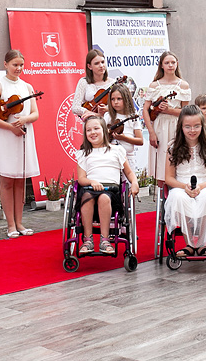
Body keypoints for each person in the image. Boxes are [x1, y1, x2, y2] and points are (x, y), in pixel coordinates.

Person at [0, 49, 40, 238]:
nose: (18, 68)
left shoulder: (28, 87)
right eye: (15, 65)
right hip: (6, 136)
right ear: (5, 64)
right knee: (7, 180)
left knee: (20, 180)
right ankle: (10, 225)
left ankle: (20, 223)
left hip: (23, 134)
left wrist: (24, 121)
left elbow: (35, 113)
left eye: (21, 65)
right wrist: (10, 127)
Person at [164, 105, 206, 258]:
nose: (192, 130)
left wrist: (201, 186)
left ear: (202, 126)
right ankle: (190, 243)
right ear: (181, 127)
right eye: (188, 126)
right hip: (181, 185)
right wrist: (184, 187)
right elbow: (169, 178)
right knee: (177, 197)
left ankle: (203, 243)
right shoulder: (173, 146)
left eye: (196, 126)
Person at [75, 116, 139, 254]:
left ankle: (105, 240)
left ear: (104, 130)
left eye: (96, 128)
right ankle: (88, 239)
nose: (93, 132)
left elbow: (128, 172)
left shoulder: (116, 150)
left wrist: (134, 182)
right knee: (86, 197)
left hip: (111, 191)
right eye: (88, 130)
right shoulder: (83, 153)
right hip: (89, 188)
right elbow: (81, 178)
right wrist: (92, 182)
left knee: (104, 198)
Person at [143, 51, 192, 189]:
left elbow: (186, 112)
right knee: (161, 167)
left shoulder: (183, 85)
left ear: (177, 64)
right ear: (162, 66)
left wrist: (169, 110)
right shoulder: (154, 85)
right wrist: (151, 132)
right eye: (167, 63)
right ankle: (162, 203)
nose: (170, 65)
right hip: (159, 127)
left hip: (177, 126)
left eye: (173, 62)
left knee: (178, 163)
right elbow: (145, 110)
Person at [104, 83, 143, 169]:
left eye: (119, 99)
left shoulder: (132, 116)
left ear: (126, 99)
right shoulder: (108, 116)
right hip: (111, 158)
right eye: (112, 99)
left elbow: (140, 141)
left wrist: (124, 138)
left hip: (128, 158)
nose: (115, 102)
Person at [72, 49, 114, 122]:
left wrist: (107, 109)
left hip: (108, 122)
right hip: (90, 123)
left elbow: (120, 108)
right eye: (96, 63)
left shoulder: (112, 83)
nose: (101, 66)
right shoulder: (83, 82)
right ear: (89, 66)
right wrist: (87, 112)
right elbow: (75, 107)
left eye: (102, 62)